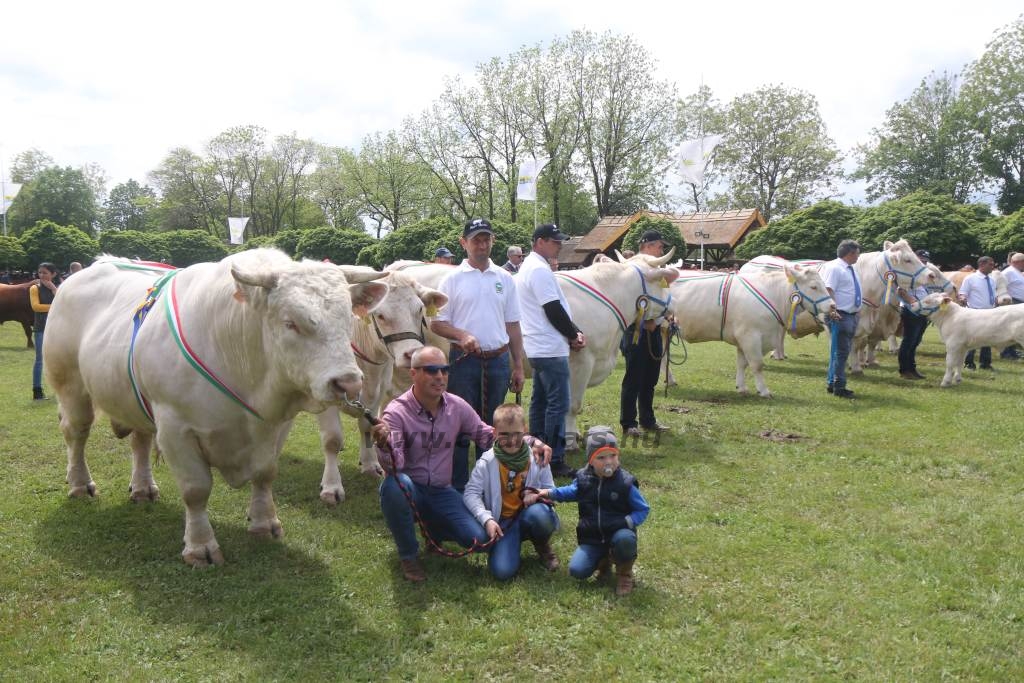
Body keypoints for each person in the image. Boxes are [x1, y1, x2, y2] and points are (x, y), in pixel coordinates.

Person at [370, 346, 551, 582]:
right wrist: (384, 445)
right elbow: (396, 465)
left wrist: (533, 441)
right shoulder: (396, 413)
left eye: (444, 370)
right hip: (410, 489)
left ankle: (433, 531)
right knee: (395, 484)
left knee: (481, 540)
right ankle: (408, 556)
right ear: (413, 374)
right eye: (431, 370)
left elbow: (488, 436)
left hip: (442, 491)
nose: (440, 376)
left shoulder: (456, 405)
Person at [431, 218, 526, 491]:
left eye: (486, 239)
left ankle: (490, 485)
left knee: (494, 426)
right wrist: (462, 336)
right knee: (459, 425)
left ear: (492, 241)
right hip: (464, 362)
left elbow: (513, 324)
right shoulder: (451, 279)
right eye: (476, 240)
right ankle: (459, 487)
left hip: (497, 361)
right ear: (464, 243)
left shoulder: (505, 279)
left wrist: (517, 366)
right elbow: (436, 322)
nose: (482, 245)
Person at [527, 426, 651, 596]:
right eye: (601, 457)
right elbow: (572, 491)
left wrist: (628, 522)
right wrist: (549, 493)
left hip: (618, 531)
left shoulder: (625, 483)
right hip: (593, 536)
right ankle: (603, 561)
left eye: (613, 455)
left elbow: (643, 509)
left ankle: (624, 573)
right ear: (590, 461)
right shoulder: (584, 479)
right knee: (577, 570)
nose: (608, 461)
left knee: (625, 540)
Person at [517, 223, 586, 478]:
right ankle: (555, 458)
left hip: (538, 344)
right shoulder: (539, 270)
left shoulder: (531, 267)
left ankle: (536, 448)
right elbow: (553, 309)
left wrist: (572, 330)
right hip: (549, 345)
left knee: (541, 401)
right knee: (558, 404)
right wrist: (573, 334)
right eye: (555, 241)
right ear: (539, 242)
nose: (559, 245)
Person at [463, 403, 561, 580]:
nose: (512, 440)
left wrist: (538, 494)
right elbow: (470, 493)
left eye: (517, 434)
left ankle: (541, 544)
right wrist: (487, 520)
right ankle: (509, 544)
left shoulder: (537, 457)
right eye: (504, 435)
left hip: (529, 515)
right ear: (494, 433)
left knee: (541, 516)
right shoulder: (486, 462)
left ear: (525, 430)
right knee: (502, 572)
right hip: (503, 524)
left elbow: (551, 489)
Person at [620, 230, 671, 436]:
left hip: (655, 331)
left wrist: (665, 316)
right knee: (633, 379)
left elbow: (664, 295)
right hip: (635, 332)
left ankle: (648, 420)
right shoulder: (630, 271)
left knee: (650, 379)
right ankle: (629, 423)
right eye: (659, 245)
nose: (661, 250)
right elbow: (626, 303)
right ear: (647, 246)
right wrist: (643, 322)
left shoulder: (658, 271)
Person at [822, 239, 862, 398]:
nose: (858, 257)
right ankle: (839, 385)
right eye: (857, 254)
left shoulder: (849, 269)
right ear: (850, 253)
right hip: (839, 315)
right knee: (841, 352)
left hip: (850, 315)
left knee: (841, 351)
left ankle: (833, 382)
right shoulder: (834, 268)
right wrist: (833, 310)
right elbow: (828, 290)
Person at [896, 249, 932, 380]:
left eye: (926, 262)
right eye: (922, 261)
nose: (924, 264)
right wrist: (913, 302)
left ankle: (912, 368)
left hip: (922, 311)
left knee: (915, 341)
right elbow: (900, 290)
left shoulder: (921, 276)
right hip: (911, 310)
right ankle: (904, 370)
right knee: (909, 341)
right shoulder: (907, 273)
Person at [29, 262, 62, 400]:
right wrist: (55, 305)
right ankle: (37, 390)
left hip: (57, 329)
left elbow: (64, 305)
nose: (41, 275)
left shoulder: (59, 289)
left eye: (45, 272)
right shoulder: (34, 288)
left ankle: (61, 390)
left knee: (60, 359)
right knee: (40, 360)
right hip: (41, 329)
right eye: (40, 272)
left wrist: (54, 290)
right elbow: (36, 307)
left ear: (53, 274)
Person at [959, 255, 998, 370]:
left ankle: (985, 363)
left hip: (989, 313)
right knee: (972, 339)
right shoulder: (970, 278)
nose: (993, 267)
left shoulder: (991, 280)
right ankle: (969, 363)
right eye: (990, 264)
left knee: (987, 339)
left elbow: (993, 295)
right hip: (974, 313)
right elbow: (963, 293)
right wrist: (962, 298)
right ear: (981, 264)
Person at [999, 252, 1024, 360]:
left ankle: (1012, 352)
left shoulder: (1017, 272)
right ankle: (1006, 353)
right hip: (1013, 303)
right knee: (1009, 330)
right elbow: (1001, 288)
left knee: (1016, 330)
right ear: (1018, 262)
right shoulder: (1007, 272)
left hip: (1019, 303)